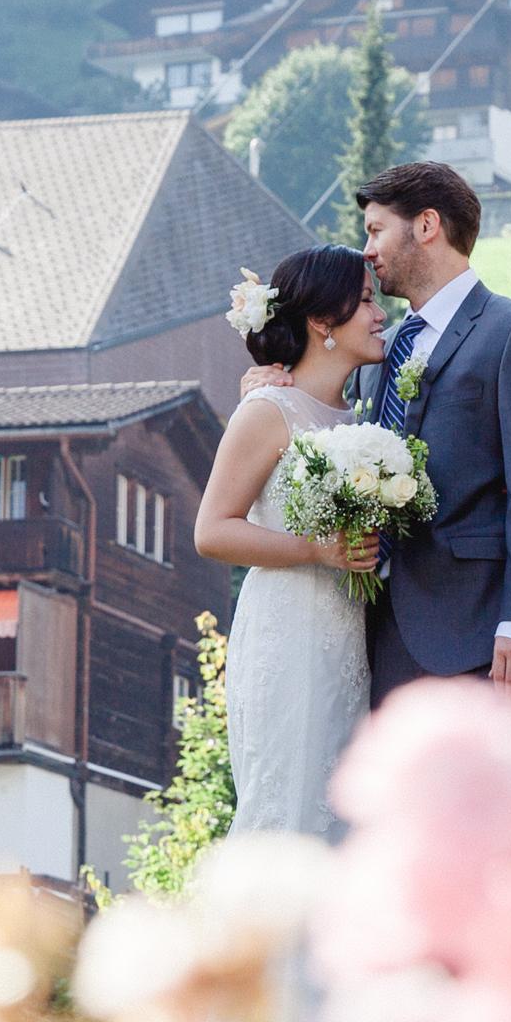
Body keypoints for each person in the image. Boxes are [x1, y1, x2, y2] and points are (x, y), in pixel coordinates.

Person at [350, 162, 511, 717]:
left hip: (489, 634)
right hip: (384, 637)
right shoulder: (375, 353)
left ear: (427, 225)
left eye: (376, 229)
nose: (367, 248)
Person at [191, 245, 386, 839]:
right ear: (323, 321)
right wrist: (313, 550)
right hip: (290, 633)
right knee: (292, 808)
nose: (381, 314)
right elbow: (212, 530)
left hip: (354, 638)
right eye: (367, 301)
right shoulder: (267, 410)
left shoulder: (364, 418)